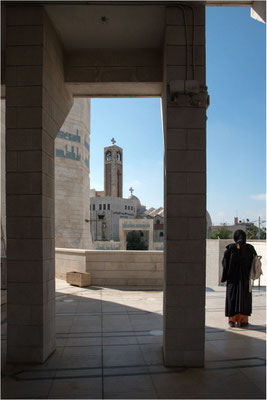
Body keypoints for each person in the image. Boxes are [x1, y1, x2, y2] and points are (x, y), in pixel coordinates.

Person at [221, 229, 257, 328]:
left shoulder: (230, 249)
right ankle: (243, 321)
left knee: (232, 298)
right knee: (244, 299)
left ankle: (232, 320)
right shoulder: (250, 248)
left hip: (233, 280)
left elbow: (225, 264)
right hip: (245, 279)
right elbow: (255, 261)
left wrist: (225, 276)